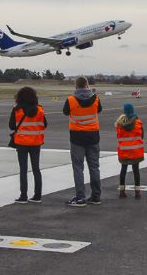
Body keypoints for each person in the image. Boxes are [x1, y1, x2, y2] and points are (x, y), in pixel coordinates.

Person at [63, 76, 103, 207]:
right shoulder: (96, 98)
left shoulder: (71, 100)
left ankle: (80, 197)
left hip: (77, 138)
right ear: (87, 85)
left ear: (76, 86)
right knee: (94, 167)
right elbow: (99, 110)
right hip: (93, 137)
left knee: (78, 168)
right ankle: (96, 196)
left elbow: (65, 112)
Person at [9, 86, 47, 204]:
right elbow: (44, 124)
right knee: (36, 169)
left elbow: (11, 126)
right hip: (36, 142)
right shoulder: (40, 110)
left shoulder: (17, 110)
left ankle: (23, 195)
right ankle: (37, 195)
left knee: (23, 169)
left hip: (22, 143)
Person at [116, 103, 144, 199]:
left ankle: (122, 191)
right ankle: (137, 192)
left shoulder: (119, 125)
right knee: (136, 171)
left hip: (124, 152)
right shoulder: (138, 122)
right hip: (135, 151)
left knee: (123, 170)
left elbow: (118, 137)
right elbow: (142, 135)